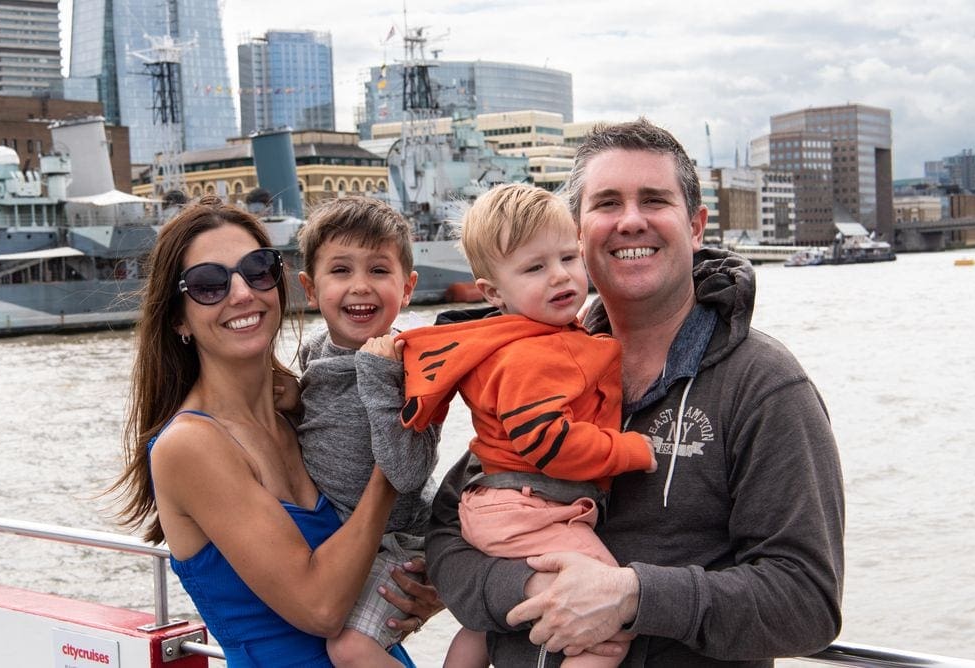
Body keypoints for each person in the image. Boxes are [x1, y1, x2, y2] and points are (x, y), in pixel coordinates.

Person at [425, 119, 846, 666]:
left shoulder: (763, 386)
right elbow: (450, 531)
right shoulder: (535, 359)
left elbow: (806, 603)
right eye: (606, 203)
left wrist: (633, 597)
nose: (630, 221)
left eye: (653, 200)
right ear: (578, 231)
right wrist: (528, 590)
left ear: (695, 227)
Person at [111, 196, 438, 667]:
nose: (242, 292)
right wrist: (394, 459)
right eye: (208, 284)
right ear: (179, 317)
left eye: (257, 269)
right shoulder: (191, 445)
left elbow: (386, 546)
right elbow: (322, 609)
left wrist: (430, 590)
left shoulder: (304, 409)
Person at [397, 183, 657, 667]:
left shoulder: (523, 340)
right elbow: (548, 442)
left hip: (500, 503)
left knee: (480, 624)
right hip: (528, 508)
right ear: (493, 292)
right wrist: (631, 450)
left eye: (567, 257)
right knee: (608, 616)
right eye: (535, 268)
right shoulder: (534, 353)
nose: (559, 276)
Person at [294, 196, 442, 667]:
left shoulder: (414, 368)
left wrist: (379, 376)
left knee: (350, 648)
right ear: (311, 290)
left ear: (408, 287)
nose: (360, 287)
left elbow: (407, 472)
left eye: (379, 270)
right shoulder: (313, 353)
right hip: (339, 539)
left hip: (397, 541)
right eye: (340, 271)